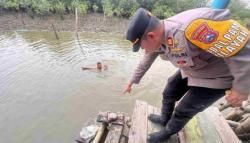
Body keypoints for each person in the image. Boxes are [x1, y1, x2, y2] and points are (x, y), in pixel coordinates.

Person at [124, 8, 250, 142]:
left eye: (142, 47)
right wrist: (132, 80)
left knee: (184, 109)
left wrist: (241, 89)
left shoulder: (196, 27)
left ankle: (167, 133)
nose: (143, 50)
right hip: (193, 68)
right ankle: (164, 119)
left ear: (150, 36)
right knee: (169, 91)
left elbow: (245, 53)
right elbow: (147, 59)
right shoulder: (159, 34)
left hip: (218, 78)